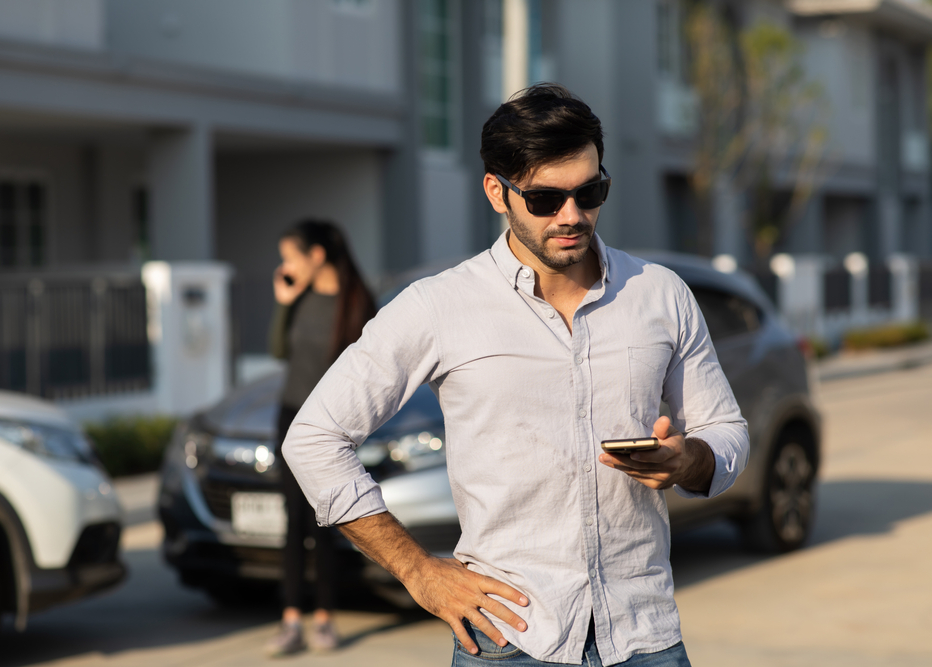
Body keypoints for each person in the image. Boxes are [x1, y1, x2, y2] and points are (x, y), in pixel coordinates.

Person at [282, 84, 749, 666]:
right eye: (546, 199)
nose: (573, 216)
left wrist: (690, 460)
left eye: (590, 191)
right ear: (496, 192)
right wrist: (418, 570)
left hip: (645, 636)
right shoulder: (437, 306)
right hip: (509, 642)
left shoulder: (660, 295)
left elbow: (727, 428)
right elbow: (314, 437)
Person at [263, 219, 377, 657]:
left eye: (291, 256)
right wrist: (284, 302)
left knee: (324, 521)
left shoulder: (357, 303)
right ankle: (291, 619)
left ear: (316, 256)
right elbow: (278, 351)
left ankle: (324, 618)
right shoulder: (300, 297)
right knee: (292, 521)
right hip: (289, 417)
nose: (285, 266)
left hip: (332, 426)